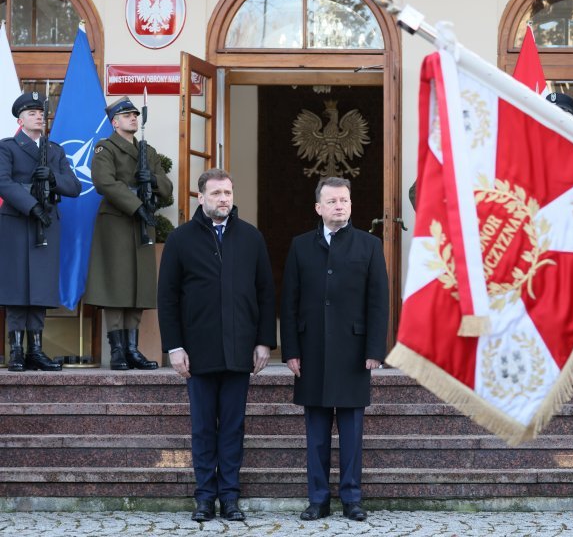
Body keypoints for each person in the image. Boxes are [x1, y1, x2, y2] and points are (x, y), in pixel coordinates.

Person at [157, 168, 275, 523]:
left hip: (240, 352)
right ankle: (205, 498)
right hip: (199, 352)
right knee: (203, 428)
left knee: (233, 428)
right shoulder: (181, 239)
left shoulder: (251, 238)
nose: (224, 198)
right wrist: (174, 347)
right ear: (201, 197)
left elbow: (266, 294)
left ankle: (230, 498)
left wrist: (264, 342)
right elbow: (168, 298)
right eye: (216, 193)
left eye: (228, 192)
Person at [281, 177, 389, 522]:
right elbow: (290, 302)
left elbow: (378, 302)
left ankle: (352, 499)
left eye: (344, 200)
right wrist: (291, 351)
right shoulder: (300, 246)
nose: (339, 205)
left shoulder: (369, 246)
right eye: (332, 201)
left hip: (355, 353)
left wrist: (375, 349)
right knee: (315, 437)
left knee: (352, 435)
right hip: (311, 353)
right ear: (319, 208)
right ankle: (318, 500)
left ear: (351, 205)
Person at [83, 96, 173, 370]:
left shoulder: (149, 151)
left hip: (142, 221)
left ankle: (133, 349)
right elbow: (103, 182)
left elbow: (167, 188)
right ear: (115, 122)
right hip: (118, 221)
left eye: (135, 114)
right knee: (116, 284)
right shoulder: (105, 148)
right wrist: (136, 206)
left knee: (139, 285)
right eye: (127, 115)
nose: (133, 118)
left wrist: (153, 180)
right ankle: (118, 350)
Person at [0, 91, 80, 372]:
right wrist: (31, 206)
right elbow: (3, 183)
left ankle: (36, 350)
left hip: (45, 221)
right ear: (20, 119)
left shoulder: (54, 150)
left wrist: (53, 178)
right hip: (17, 222)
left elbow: (73, 186)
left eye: (40, 112)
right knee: (16, 288)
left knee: (40, 289)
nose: (38, 117)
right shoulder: (7, 147)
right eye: (32, 113)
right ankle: (16, 351)